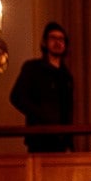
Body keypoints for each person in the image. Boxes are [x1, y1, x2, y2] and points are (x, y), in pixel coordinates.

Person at [9, 22, 74, 153]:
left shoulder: (66, 75)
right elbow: (16, 97)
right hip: (39, 137)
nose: (57, 42)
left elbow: (68, 110)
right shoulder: (32, 68)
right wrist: (41, 114)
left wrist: (69, 141)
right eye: (53, 38)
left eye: (61, 39)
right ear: (45, 42)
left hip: (61, 139)